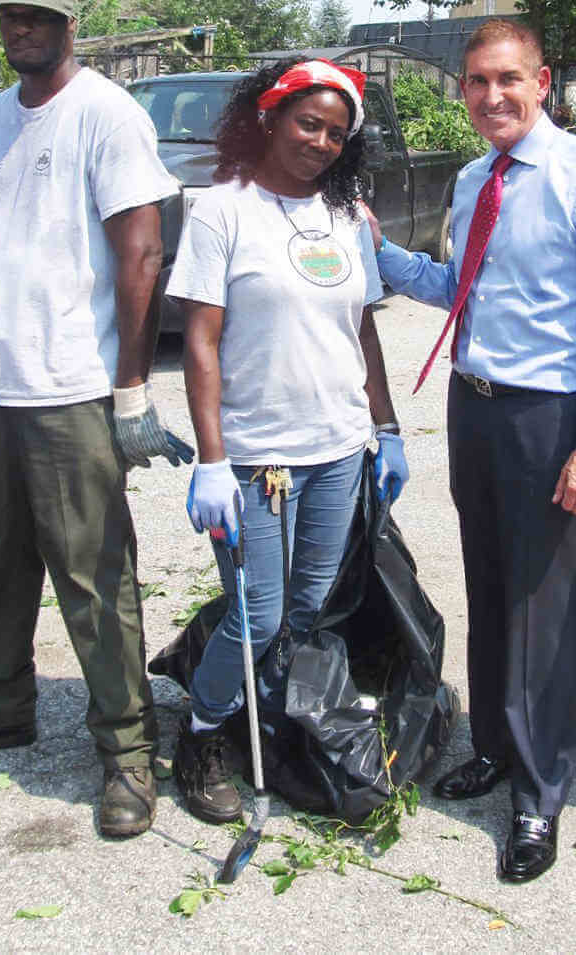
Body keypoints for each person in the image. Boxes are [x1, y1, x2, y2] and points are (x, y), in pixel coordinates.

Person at [0, 0, 186, 839]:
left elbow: (141, 254)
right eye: (10, 17)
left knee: (95, 576)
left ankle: (127, 749)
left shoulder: (106, 113)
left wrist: (131, 386)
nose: (22, 29)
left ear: (72, 24)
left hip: (71, 389)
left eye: (40, 17)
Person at [374, 19, 576, 882]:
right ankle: (494, 743)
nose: (493, 96)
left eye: (509, 80)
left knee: (544, 605)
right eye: (477, 82)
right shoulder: (471, 179)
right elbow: (461, 288)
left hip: (551, 418)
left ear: (543, 81)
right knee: (489, 583)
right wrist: (373, 251)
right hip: (478, 407)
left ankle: (540, 791)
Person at [164, 58, 408, 823]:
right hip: (257, 455)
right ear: (269, 118)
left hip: (338, 447)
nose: (322, 142)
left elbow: (363, 327)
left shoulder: (345, 215)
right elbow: (200, 342)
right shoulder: (222, 210)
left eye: (338, 132)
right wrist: (211, 461)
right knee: (258, 614)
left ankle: (265, 718)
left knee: (308, 607)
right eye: (308, 123)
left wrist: (387, 427)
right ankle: (200, 735)